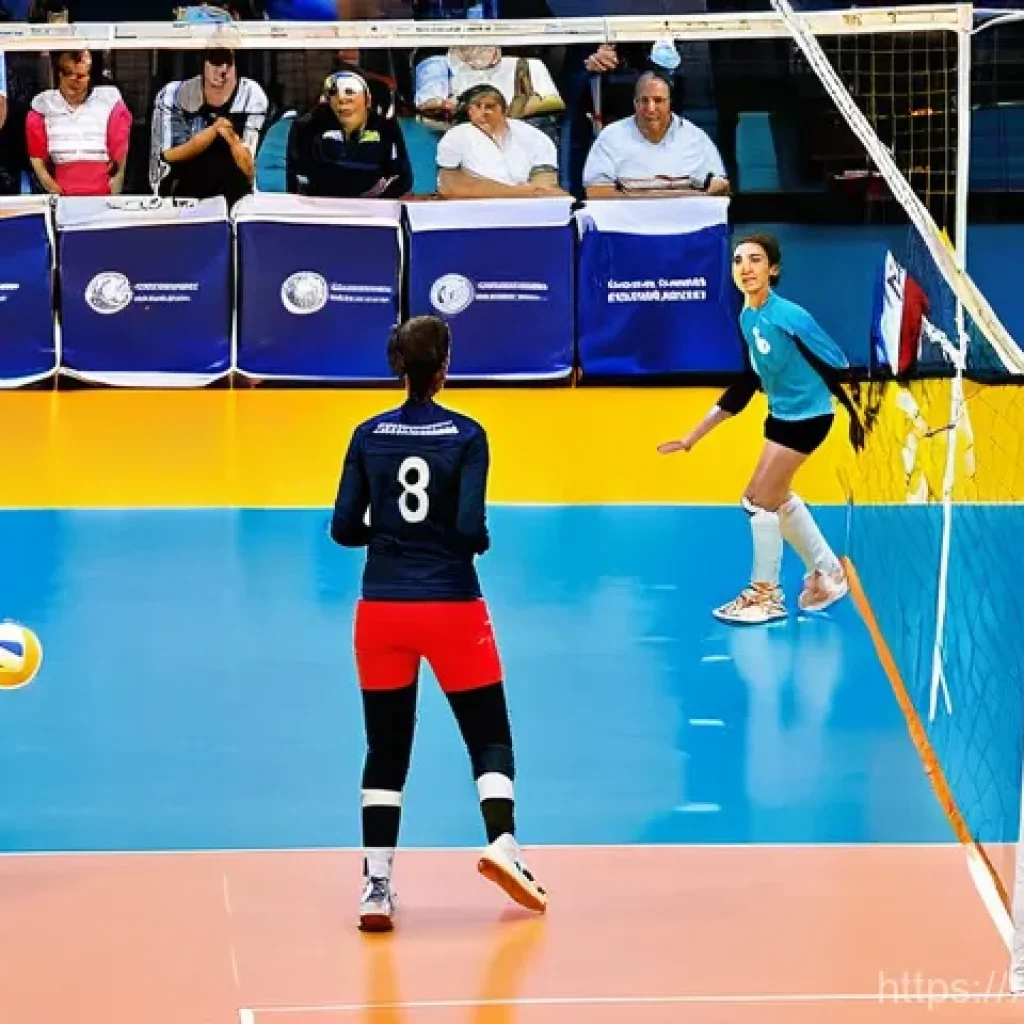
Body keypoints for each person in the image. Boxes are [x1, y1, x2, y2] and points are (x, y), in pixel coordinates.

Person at [329, 315, 548, 932]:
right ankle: (502, 842)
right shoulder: (468, 435)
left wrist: (392, 537)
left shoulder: (368, 434)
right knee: (488, 735)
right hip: (452, 605)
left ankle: (376, 885)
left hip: (381, 612)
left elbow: (345, 528)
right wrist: (448, 539)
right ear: (445, 364)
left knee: (386, 749)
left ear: (399, 367)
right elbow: (469, 531)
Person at [658, 232, 864, 625]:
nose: (746, 268)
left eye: (755, 260)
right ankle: (826, 573)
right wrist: (693, 437)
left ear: (773, 269)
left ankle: (766, 595)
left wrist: (860, 413)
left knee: (759, 502)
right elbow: (748, 383)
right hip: (781, 416)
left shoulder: (791, 316)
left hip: (808, 419)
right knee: (771, 497)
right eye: (738, 261)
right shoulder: (748, 317)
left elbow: (836, 359)